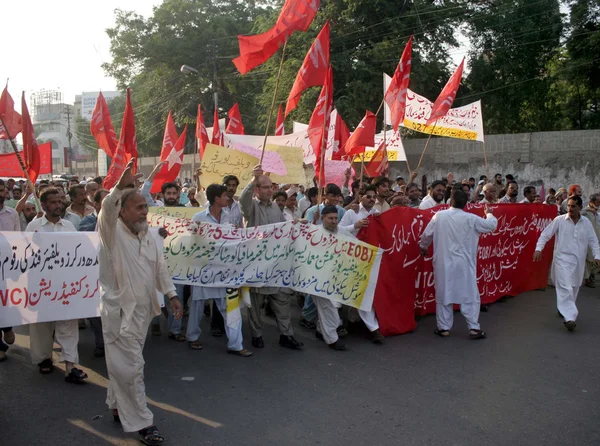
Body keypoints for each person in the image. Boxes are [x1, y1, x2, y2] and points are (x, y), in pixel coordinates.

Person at [98, 158, 182, 444]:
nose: (144, 212)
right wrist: (118, 189)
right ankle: (144, 424)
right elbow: (106, 211)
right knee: (132, 369)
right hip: (119, 316)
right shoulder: (111, 233)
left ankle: (115, 405)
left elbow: (159, 269)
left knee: (124, 365)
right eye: (138, 208)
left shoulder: (148, 235)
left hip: (143, 314)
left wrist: (171, 294)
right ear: (123, 211)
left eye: (146, 207)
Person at [239, 164, 303, 350]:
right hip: (257, 264)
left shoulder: (276, 208)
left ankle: (286, 335)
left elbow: (283, 228)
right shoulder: (250, 207)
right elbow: (243, 200)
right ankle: (257, 335)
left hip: (276, 265)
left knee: (282, 301)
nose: (269, 190)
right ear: (257, 189)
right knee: (256, 304)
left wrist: (296, 224)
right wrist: (253, 180)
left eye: (271, 187)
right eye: (265, 187)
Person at [26, 188, 87, 382]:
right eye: (53, 202)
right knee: (41, 326)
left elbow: (79, 253)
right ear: (43, 205)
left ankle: (70, 365)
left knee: (68, 324)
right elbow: (24, 256)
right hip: (41, 285)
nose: (58, 206)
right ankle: (44, 358)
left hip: (65, 285)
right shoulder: (33, 227)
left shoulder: (69, 226)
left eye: (60, 202)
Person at [419, 189, 498, 339]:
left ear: (449, 201)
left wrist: (423, 247)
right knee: (470, 295)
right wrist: (489, 212)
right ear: (466, 203)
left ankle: (444, 328)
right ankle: (473, 327)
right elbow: (491, 225)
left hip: (443, 264)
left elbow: (426, 235)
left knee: (444, 293)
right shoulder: (471, 218)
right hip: (464, 264)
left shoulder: (439, 216)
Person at [187, 184, 252, 357]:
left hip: (224, 271)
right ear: (216, 198)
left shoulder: (228, 216)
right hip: (204, 271)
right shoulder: (199, 217)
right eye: (225, 195)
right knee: (197, 306)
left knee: (229, 308)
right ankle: (192, 337)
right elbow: (192, 243)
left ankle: (236, 344)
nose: (227, 198)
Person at [534, 195, 600, 331]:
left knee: (575, 286)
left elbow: (593, 241)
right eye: (569, 206)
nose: (570, 208)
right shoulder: (559, 220)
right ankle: (569, 317)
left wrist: (597, 256)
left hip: (578, 262)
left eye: (573, 206)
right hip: (561, 260)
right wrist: (538, 248)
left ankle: (564, 308)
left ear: (580, 207)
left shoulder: (586, 223)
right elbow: (546, 234)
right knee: (565, 287)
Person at [311, 205, 351, 351]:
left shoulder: (341, 232)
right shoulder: (314, 233)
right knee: (331, 312)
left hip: (335, 279)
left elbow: (357, 245)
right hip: (316, 280)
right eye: (330, 218)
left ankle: (320, 331)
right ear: (323, 219)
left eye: (336, 218)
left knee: (330, 307)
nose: (334, 221)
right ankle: (332, 340)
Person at [0, 180, 18, 362]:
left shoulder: (12, 214)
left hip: (8, 268)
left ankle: (7, 328)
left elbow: (18, 239)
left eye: (2, 189)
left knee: (6, 301)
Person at [582, 194, 600, 288]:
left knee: (596, 259)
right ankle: (587, 278)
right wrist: (588, 210)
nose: (599, 204)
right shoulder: (586, 211)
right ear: (591, 202)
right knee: (589, 259)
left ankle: (591, 274)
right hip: (589, 239)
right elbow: (578, 212)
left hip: (598, 237)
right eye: (597, 202)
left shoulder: (598, 211)